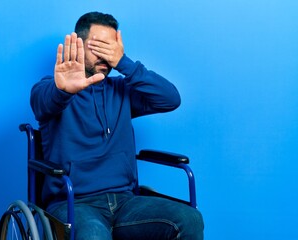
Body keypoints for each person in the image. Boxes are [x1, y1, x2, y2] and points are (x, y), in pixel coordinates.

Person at [30, 11, 204, 240]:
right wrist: (62, 90)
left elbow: (171, 99)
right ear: (79, 46)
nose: (105, 56)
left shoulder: (122, 91)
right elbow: (41, 103)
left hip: (125, 202)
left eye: (110, 49)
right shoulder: (54, 90)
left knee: (189, 219)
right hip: (74, 204)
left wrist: (124, 63)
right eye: (98, 47)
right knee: (93, 235)